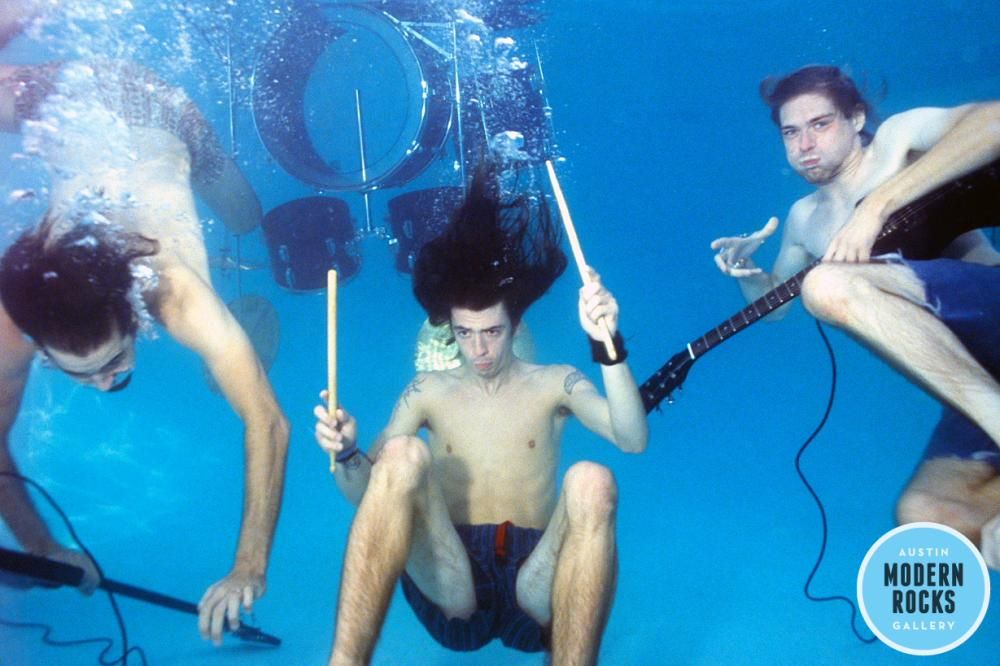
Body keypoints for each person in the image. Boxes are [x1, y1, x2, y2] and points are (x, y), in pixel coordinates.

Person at [0, 57, 289, 644]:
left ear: (133, 308)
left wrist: (248, 568)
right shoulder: (16, 318)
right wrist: (40, 545)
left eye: (112, 360)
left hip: (165, 115)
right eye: (82, 373)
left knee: (244, 212)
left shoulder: (174, 292)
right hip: (60, 94)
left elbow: (267, 421)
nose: (107, 382)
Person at [313, 162, 649, 664]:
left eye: (491, 332)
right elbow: (368, 494)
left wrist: (609, 345)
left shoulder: (554, 382)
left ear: (514, 324)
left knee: (593, 480)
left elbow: (632, 438)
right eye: (465, 334)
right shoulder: (427, 390)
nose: (479, 350)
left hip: (538, 583)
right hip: (452, 581)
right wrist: (346, 453)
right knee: (400, 455)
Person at [709, 65, 1000, 567]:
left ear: (857, 118)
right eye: (791, 132)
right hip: (978, 375)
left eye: (820, 124)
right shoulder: (805, 219)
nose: (805, 144)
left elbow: (994, 121)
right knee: (925, 516)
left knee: (827, 285)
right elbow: (777, 307)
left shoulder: (897, 140)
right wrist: (747, 274)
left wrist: (875, 207)